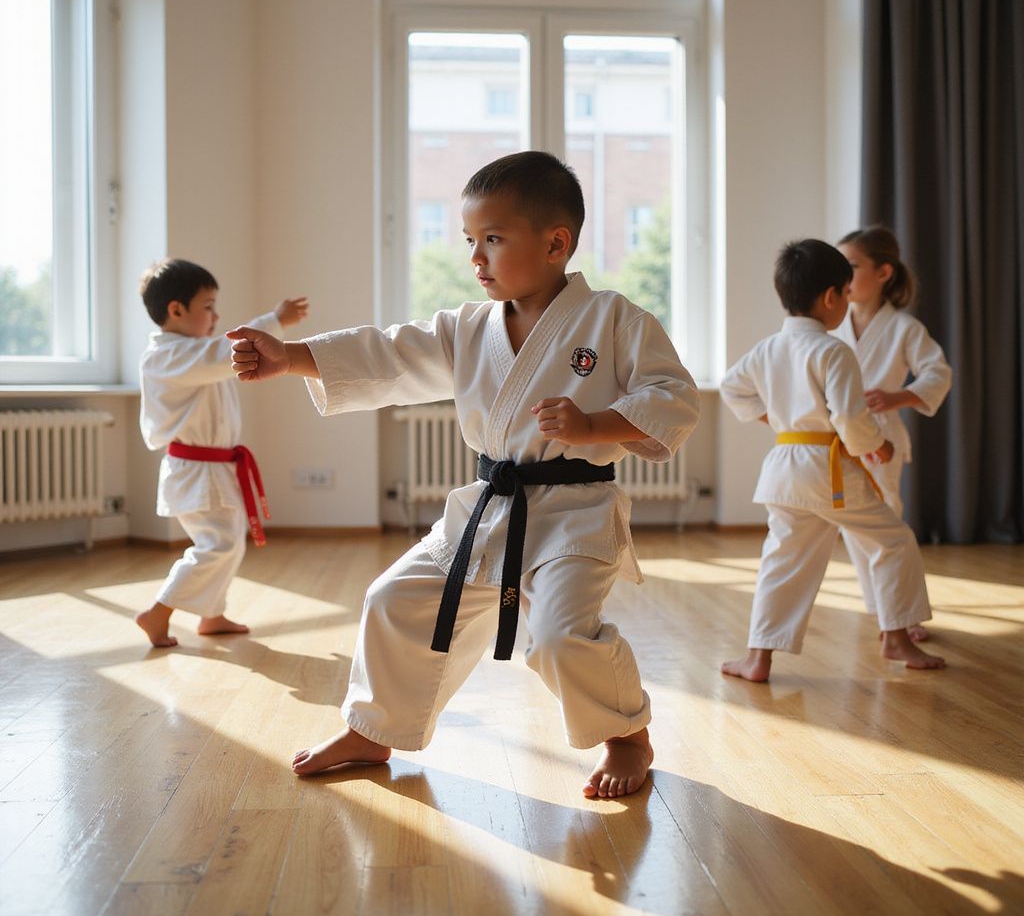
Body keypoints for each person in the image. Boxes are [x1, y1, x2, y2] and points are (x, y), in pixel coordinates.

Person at [228, 151, 700, 798]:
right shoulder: (468, 327)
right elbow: (387, 352)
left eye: (493, 240)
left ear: (556, 243)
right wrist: (292, 358)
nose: (475, 258)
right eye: (470, 241)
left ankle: (626, 735)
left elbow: (673, 397)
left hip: (573, 515)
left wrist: (595, 427)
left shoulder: (615, 320)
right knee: (393, 600)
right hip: (490, 509)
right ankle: (374, 729)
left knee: (560, 638)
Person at [719, 238, 945, 682]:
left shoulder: (767, 348)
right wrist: (875, 446)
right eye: (844, 292)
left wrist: (778, 420)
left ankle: (757, 658)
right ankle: (897, 638)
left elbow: (730, 387)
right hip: (828, 469)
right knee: (894, 541)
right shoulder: (833, 351)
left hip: (784, 467)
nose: (846, 301)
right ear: (830, 297)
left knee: (781, 560)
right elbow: (848, 417)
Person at [135, 257, 309, 647]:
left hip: (212, 470)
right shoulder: (166, 357)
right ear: (176, 310)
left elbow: (215, 360)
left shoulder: (191, 353)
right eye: (208, 306)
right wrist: (273, 321)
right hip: (196, 472)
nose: (216, 315)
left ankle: (211, 615)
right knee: (219, 544)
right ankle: (158, 611)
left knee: (227, 540)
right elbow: (219, 357)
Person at [833, 226, 952, 640]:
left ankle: (901, 615)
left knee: (886, 522)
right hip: (837, 438)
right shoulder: (832, 324)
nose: (844, 276)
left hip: (881, 439)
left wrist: (897, 397)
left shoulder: (904, 328)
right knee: (853, 527)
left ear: (884, 272)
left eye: (852, 266)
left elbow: (938, 373)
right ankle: (884, 609)